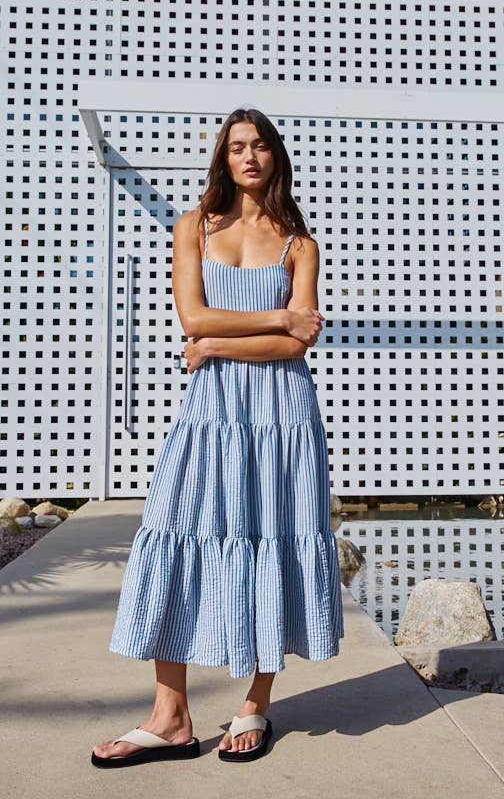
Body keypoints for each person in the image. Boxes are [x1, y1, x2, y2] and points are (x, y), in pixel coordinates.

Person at [91, 106, 344, 768]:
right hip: (211, 412)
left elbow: (299, 343)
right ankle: (170, 716)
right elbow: (194, 317)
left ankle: (255, 703)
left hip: (282, 415)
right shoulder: (193, 226)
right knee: (176, 530)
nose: (248, 157)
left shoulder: (300, 244)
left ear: (274, 155)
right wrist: (275, 318)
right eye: (236, 147)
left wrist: (218, 343)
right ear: (223, 158)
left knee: (273, 539)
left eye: (259, 145)